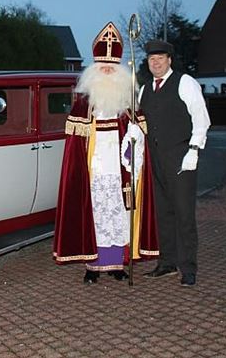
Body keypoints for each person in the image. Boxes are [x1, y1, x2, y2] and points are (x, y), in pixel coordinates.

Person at [53, 22, 158, 284]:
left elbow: (139, 129)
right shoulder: (83, 100)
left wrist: (136, 133)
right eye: (103, 66)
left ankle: (116, 264)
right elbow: (75, 142)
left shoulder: (128, 99)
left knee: (119, 213)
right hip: (95, 165)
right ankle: (93, 266)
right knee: (96, 214)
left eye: (112, 66)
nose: (108, 70)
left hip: (120, 166)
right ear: (95, 69)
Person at [138, 39, 211, 287]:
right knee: (163, 213)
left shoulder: (185, 83)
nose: (155, 62)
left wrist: (194, 150)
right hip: (155, 158)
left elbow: (201, 119)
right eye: (151, 59)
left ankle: (188, 267)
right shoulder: (145, 88)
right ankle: (167, 263)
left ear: (169, 60)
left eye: (160, 58)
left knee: (183, 214)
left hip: (181, 156)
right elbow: (142, 123)